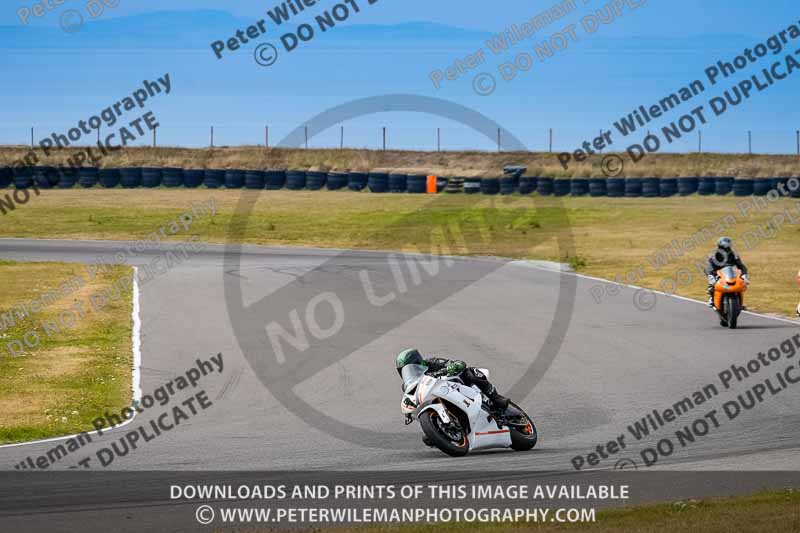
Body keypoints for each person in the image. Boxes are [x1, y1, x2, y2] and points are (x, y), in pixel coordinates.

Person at [395, 348, 510, 411]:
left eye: (413, 366)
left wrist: (451, 367)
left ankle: (496, 398)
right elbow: (411, 401)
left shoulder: (432, 362)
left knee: (470, 371)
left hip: (455, 386)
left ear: (418, 361)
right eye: (405, 370)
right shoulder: (409, 386)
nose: (411, 371)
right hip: (436, 400)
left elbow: (459, 364)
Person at [705, 236, 748, 308]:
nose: (726, 249)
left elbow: (741, 265)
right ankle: (712, 298)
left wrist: (744, 275)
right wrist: (710, 275)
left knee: (742, 284)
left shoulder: (734, 254)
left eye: (727, 247)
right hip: (718, 272)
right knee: (713, 284)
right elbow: (709, 266)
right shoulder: (714, 254)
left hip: (730, 272)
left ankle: (739, 302)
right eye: (724, 247)